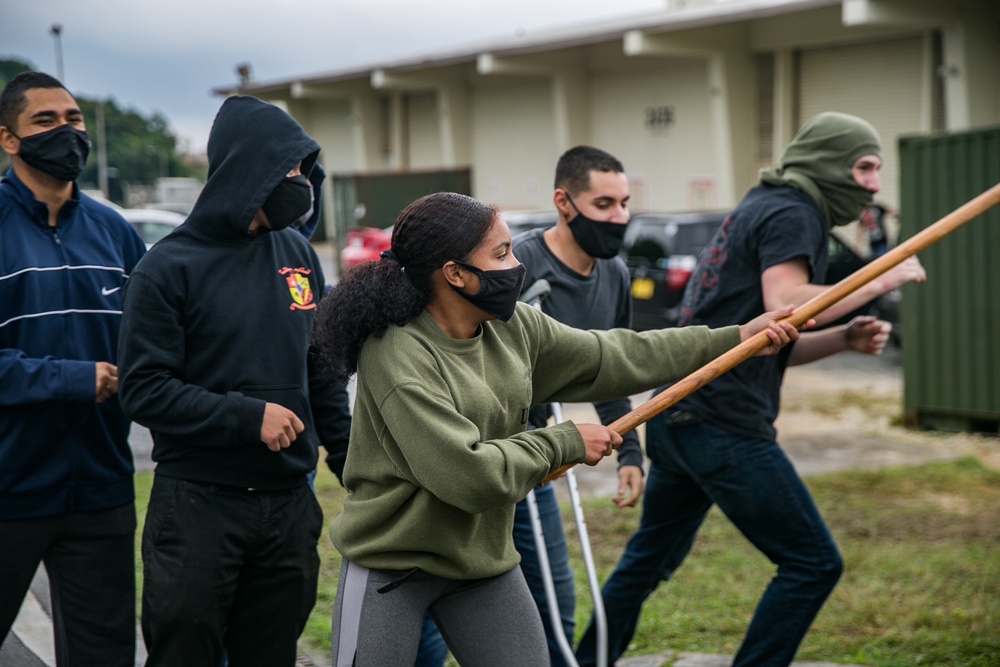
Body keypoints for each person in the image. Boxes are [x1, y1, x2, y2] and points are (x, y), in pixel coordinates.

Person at [311, 190, 802, 667]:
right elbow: (467, 476)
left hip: (480, 561)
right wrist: (563, 441)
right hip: (392, 565)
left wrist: (735, 338)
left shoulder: (512, 326)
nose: (516, 265)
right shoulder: (397, 353)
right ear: (455, 274)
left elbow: (614, 355)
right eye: (501, 253)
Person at [575, 112, 928, 667]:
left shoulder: (763, 202)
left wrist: (843, 340)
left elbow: (768, 336)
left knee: (647, 561)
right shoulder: (793, 210)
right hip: (720, 421)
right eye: (863, 167)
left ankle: (585, 663)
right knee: (813, 562)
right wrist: (882, 275)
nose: (874, 184)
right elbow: (784, 300)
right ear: (829, 163)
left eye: (877, 169)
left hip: (679, 411)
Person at [117, 95, 351, 666]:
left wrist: (354, 465)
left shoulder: (297, 252)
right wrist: (248, 418)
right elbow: (143, 388)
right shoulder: (167, 268)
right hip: (199, 507)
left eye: (304, 169)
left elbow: (321, 373)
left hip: (288, 508)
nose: (301, 183)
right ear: (248, 168)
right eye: (290, 170)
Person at [0, 71, 146, 665]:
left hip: (102, 492)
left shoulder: (116, 233)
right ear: (8, 139)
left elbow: (152, 344)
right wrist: (71, 378)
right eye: (45, 121)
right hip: (7, 490)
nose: (67, 132)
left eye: (74, 119)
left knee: (103, 655)